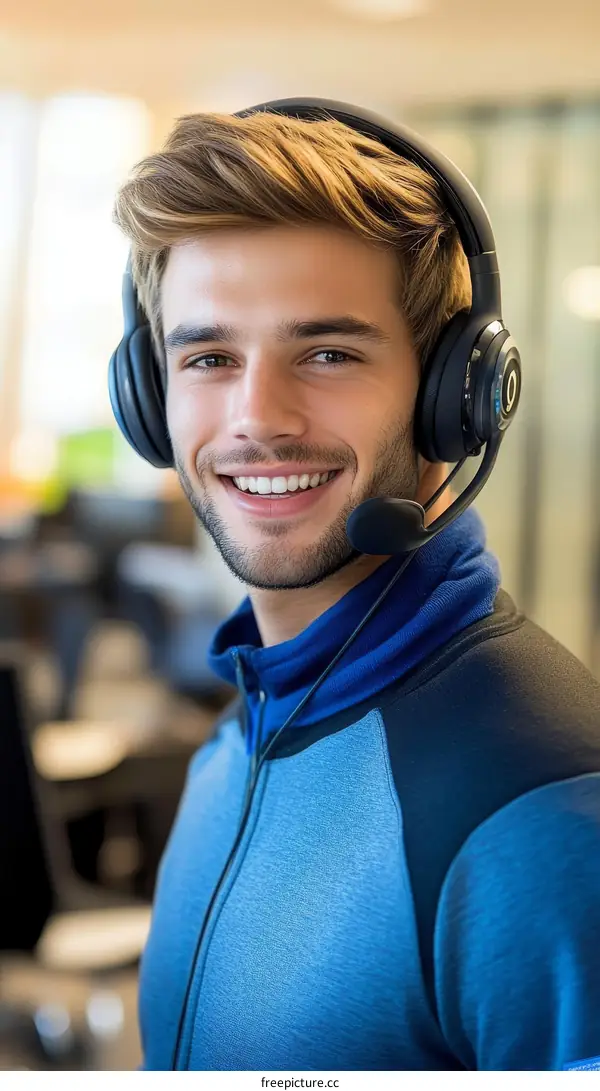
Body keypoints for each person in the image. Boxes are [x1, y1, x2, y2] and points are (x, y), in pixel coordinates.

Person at [111, 102, 600, 1072]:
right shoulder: (244, 729)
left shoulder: (540, 809)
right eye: (208, 357)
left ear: (456, 397)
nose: (257, 417)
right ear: (147, 396)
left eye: (329, 353)